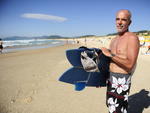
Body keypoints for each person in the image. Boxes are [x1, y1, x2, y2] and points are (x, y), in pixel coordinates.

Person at [101, 9, 140, 113]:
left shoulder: (132, 38)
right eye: (117, 19)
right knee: (111, 107)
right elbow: (110, 61)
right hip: (110, 79)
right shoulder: (114, 40)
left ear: (129, 22)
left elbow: (130, 64)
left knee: (117, 110)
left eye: (123, 19)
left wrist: (110, 54)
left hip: (121, 80)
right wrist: (100, 78)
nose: (119, 22)